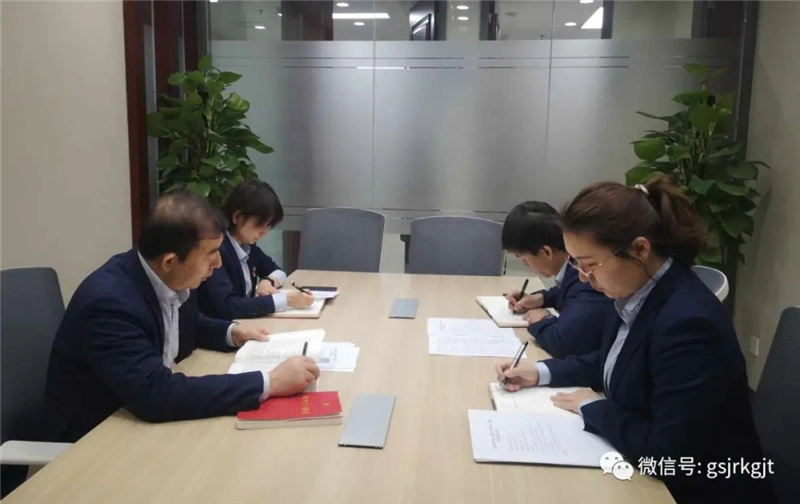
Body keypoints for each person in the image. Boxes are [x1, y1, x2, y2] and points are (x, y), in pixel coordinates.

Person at [495, 178, 774, 504]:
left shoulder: (689, 325)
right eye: (576, 265)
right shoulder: (636, 290)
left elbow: (666, 454)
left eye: (590, 265)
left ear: (640, 249)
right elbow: (613, 360)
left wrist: (593, 408)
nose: (583, 277)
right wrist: (541, 372)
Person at [45, 191, 320, 443]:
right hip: (96, 440)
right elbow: (156, 395)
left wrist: (231, 332)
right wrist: (269, 382)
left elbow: (186, 326)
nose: (219, 264)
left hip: (140, 422)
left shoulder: (169, 278)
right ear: (170, 261)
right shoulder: (109, 304)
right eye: (211, 254)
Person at [501, 201, 613, 357]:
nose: (526, 265)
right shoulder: (573, 263)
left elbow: (564, 343)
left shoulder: (586, 277)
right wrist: (541, 298)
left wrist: (543, 320)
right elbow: (568, 291)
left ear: (547, 252)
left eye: (524, 259)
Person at [197, 179, 313, 320]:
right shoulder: (218, 251)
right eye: (260, 225)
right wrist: (285, 300)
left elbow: (277, 271)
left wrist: (268, 281)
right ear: (238, 217)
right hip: (223, 328)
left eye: (268, 226)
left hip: (247, 323)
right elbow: (228, 306)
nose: (264, 233)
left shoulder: (248, 247)